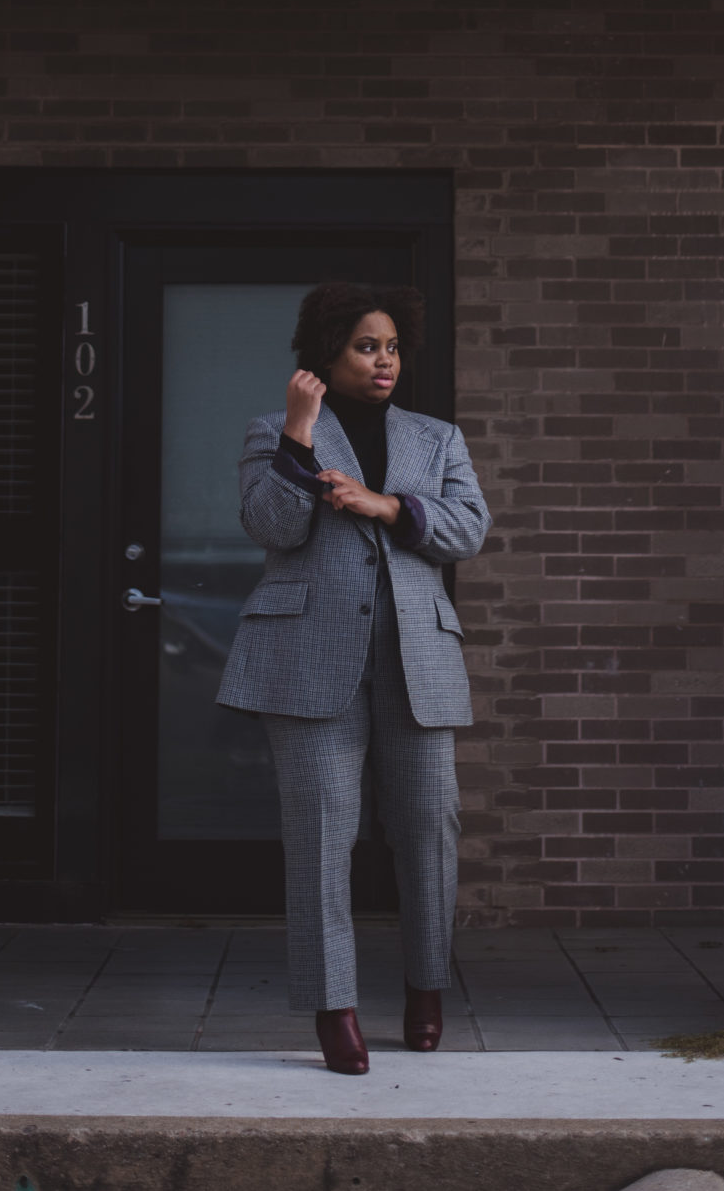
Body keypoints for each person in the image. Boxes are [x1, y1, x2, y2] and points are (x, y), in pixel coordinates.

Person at [216, 283, 491, 1075]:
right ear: (328, 351)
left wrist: (387, 506)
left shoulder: (436, 439)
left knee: (429, 830)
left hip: (417, 660)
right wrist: (299, 441)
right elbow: (272, 526)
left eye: (394, 347)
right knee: (321, 840)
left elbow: (468, 528)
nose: (385, 361)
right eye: (368, 345)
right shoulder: (274, 431)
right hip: (307, 659)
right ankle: (334, 1010)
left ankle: (426, 989)